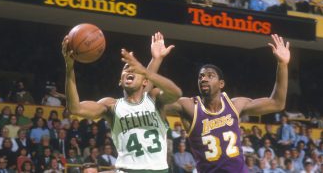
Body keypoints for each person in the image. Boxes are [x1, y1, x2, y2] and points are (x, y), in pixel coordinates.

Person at [166, 34, 290, 172]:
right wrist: (155, 60)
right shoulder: (189, 106)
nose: (204, 79)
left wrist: (283, 64)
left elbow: (277, 103)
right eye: (201, 76)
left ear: (221, 84)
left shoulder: (236, 105)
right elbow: (152, 103)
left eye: (210, 75)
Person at [63, 32, 182, 173]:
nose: (129, 69)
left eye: (134, 69)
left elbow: (176, 93)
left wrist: (152, 64)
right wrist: (69, 67)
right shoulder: (111, 105)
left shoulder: (154, 99)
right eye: (126, 69)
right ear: (120, 81)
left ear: (145, 81)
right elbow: (75, 108)